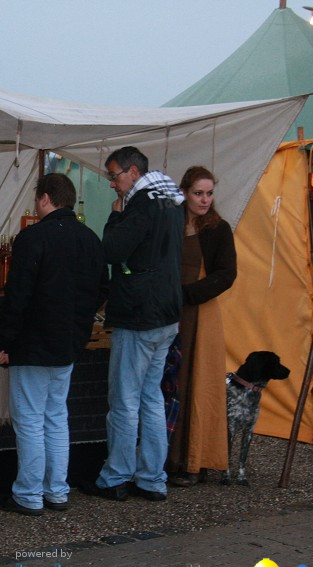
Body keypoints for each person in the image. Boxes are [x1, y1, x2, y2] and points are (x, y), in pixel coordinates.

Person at [0, 173, 107, 516]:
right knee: (56, 417)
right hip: (68, 342)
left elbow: (17, 298)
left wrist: (3, 342)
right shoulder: (91, 239)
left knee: (29, 420)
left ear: (44, 199)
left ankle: (28, 494)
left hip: (32, 343)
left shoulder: (32, 238)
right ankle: (56, 491)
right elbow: (103, 290)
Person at [79, 146, 184, 502]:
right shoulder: (171, 199)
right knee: (152, 398)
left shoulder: (140, 205)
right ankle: (152, 477)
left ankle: (115, 477)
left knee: (125, 400)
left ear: (134, 172)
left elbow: (111, 250)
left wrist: (114, 218)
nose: (112, 184)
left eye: (114, 175)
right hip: (166, 312)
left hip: (140, 313)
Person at [167, 166, 237, 486]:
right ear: (184, 192)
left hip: (201, 314)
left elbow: (226, 274)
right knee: (171, 384)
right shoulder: (172, 222)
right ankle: (168, 458)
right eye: (198, 193)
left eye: (209, 193)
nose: (205, 199)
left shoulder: (218, 229)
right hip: (170, 312)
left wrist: (189, 295)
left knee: (198, 384)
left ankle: (195, 460)